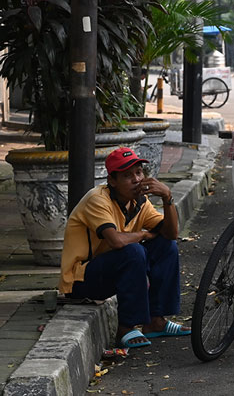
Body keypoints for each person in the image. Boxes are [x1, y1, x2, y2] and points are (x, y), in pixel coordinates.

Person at [59, 147, 191, 348]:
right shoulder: (98, 199)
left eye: (139, 172)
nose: (137, 179)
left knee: (166, 245)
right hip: (80, 279)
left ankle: (156, 321)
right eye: (127, 175)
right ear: (112, 181)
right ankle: (126, 327)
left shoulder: (139, 202)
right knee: (133, 251)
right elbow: (116, 241)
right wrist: (144, 235)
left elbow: (171, 233)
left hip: (111, 269)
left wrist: (167, 198)